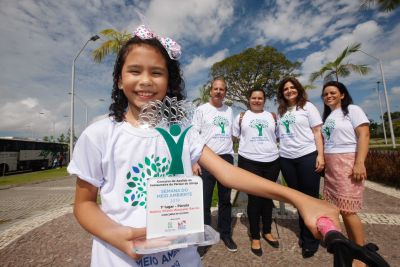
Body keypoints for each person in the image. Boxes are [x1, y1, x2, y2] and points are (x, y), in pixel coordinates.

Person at [68, 25, 339, 267]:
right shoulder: (98, 135)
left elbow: (228, 172)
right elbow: (84, 204)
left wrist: (301, 199)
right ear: (119, 79)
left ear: (169, 82)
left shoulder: (181, 133)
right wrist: (117, 235)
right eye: (134, 71)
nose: (146, 80)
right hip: (119, 257)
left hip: (182, 259)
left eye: (157, 72)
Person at [321, 81, 370, 267]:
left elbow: (364, 135)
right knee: (339, 209)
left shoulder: (352, 109)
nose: (328, 96)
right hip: (332, 165)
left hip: (347, 162)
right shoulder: (329, 116)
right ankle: (352, 248)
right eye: (325, 94)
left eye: (332, 92)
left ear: (342, 94)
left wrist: (359, 163)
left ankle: (361, 255)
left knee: (349, 211)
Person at [276, 76, 325, 258]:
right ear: (282, 93)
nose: (289, 91)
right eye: (286, 89)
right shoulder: (281, 111)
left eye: (292, 87)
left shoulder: (307, 107)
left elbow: (317, 132)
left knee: (310, 198)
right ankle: (305, 232)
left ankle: (310, 239)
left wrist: (320, 155)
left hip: (307, 156)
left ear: (298, 89)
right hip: (287, 159)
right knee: (298, 199)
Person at [191, 77, 237, 254]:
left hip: (226, 159)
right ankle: (204, 238)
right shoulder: (201, 110)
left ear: (225, 92)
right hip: (206, 159)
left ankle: (225, 234)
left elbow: (234, 133)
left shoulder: (229, 110)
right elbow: (193, 135)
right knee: (205, 200)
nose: (219, 91)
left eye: (222, 89)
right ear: (211, 91)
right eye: (216, 89)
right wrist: (195, 160)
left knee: (225, 200)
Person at [232, 88, 280, 256]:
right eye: (254, 98)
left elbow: (278, 136)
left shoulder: (272, 117)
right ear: (249, 99)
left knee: (267, 198)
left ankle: (267, 231)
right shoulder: (241, 117)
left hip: (272, 161)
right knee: (254, 198)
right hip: (249, 161)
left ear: (264, 100)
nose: (257, 100)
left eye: (260, 98)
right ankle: (255, 235)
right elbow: (235, 136)